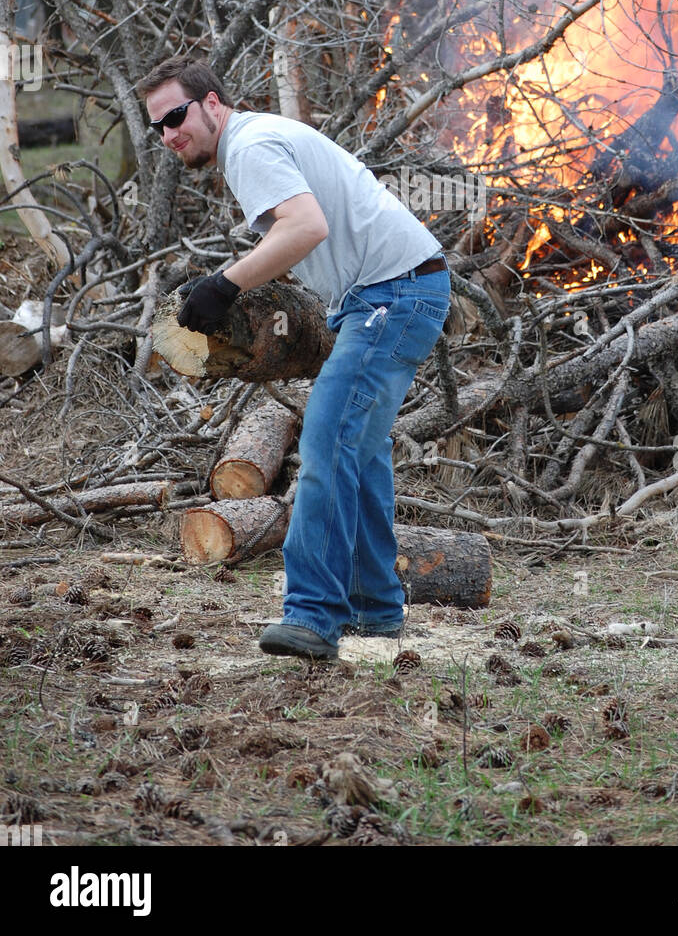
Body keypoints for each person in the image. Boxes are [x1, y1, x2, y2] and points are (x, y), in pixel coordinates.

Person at [137, 55, 450, 659]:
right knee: (357, 452)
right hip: (398, 292)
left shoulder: (250, 146)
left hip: (393, 296)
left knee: (328, 444)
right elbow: (306, 228)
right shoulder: (254, 141)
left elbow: (304, 227)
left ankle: (311, 615)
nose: (170, 134)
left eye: (176, 116)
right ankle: (376, 608)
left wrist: (224, 285)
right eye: (158, 127)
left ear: (211, 103)